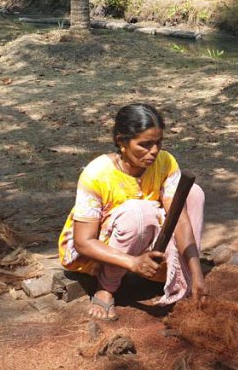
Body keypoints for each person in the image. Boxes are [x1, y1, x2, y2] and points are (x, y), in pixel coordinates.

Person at [57, 103, 208, 321]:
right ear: (121, 142)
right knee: (139, 212)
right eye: (144, 145)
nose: (154, 151)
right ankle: (106, 287)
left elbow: (180, 220)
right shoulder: (97, 173)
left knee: (193, 194)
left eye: (158, 143)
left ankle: (180, 276)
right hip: (102, 249)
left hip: (145, 238)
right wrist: (133, 263)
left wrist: (196, 273)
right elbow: (83, 242)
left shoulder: (165, 162)